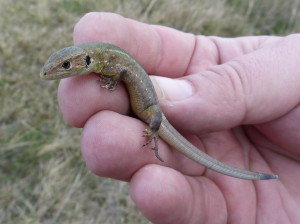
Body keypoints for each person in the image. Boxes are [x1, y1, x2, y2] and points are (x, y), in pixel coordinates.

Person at [58, 12, 300, 224]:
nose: (62, 71)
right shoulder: (100, 59)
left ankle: (155, 134)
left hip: (154, 114)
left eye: (66, 65)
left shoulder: (109, 61)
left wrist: (152, 130)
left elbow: (121, 71)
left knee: (146, 142)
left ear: (85, 59)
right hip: (147, 111)